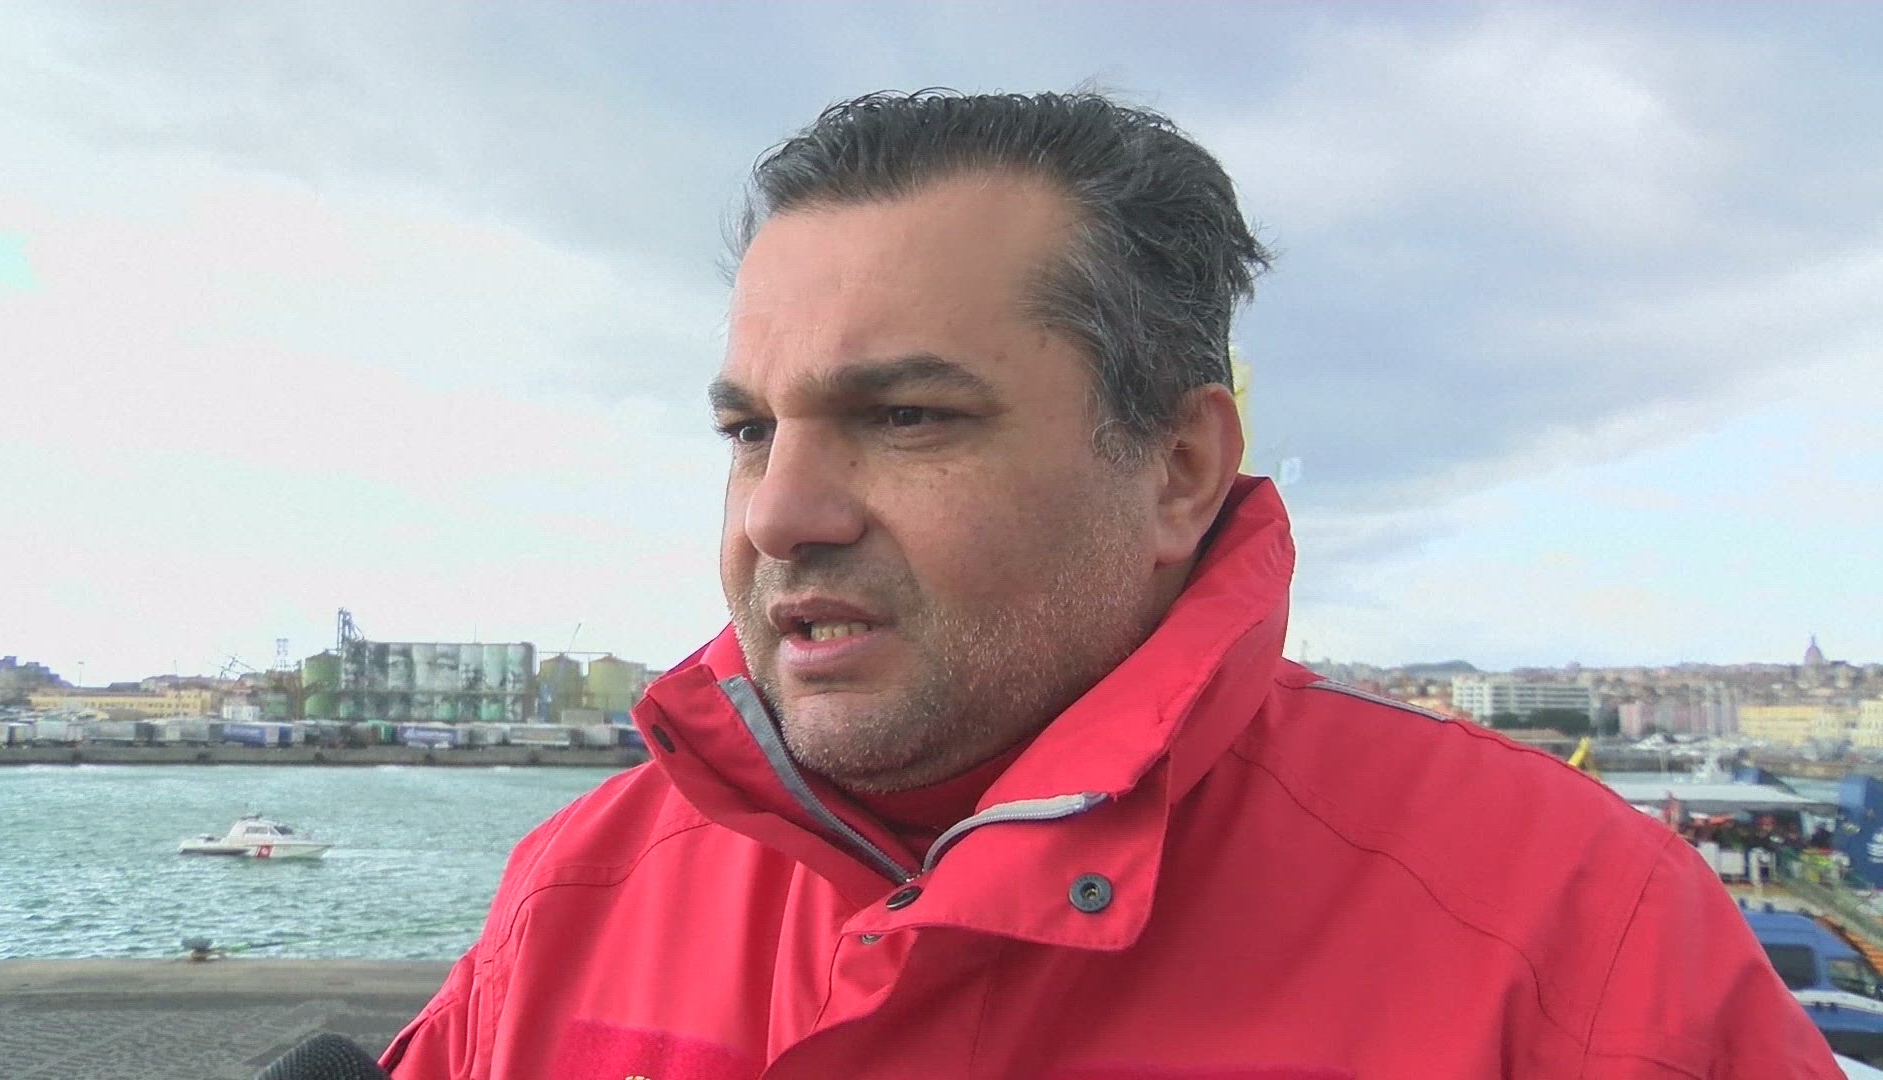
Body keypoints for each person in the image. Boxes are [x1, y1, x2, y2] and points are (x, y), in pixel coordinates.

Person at [383, 90, 1837, 1079]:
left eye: (908, 416)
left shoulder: (1574, 936)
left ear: (1178, 468)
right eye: (750, 431)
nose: (780, 514)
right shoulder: (577, 891)